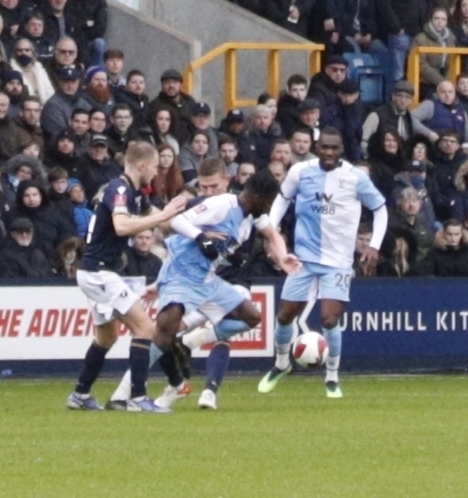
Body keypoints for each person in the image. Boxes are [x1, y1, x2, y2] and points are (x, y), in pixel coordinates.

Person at [257, 121, 389, 399]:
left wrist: (374, 245)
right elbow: (282, 199)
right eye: (324, 148)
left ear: (341, 149)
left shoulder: (355, 177)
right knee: (285, 316)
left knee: (329, 319)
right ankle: (281, 364)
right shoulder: (300, 171)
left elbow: (380, 209)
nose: (329, 152)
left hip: (338, 260)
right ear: (317, 148)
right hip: (303, 258)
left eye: (334, 148)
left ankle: (331, 377)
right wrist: (272, 232)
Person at [141, 153, 258, 415]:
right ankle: (161, 387)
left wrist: (281, 252)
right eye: (203, 187)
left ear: (227, 181)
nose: (207, 192)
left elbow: (271, 231)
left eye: (213, 187)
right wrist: (160, 282)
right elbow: (178, 249)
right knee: (166, 330)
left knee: (225, 322)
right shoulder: (199, 206)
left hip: (231, 279)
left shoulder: (246, 205)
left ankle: (209, 390)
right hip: (195, 281)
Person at [62, 139, 169, 413]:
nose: (157, 173)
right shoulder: (119, 189)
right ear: (142, 165)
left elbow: (163, 218)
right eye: (155, 167)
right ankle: (138, 397)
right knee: (145, 328)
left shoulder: (134, 193)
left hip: (96, 271)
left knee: (106, 338)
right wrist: (162, 217)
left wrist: (191, 221)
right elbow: (122, 227)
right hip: (100, 272)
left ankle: (80, 394)